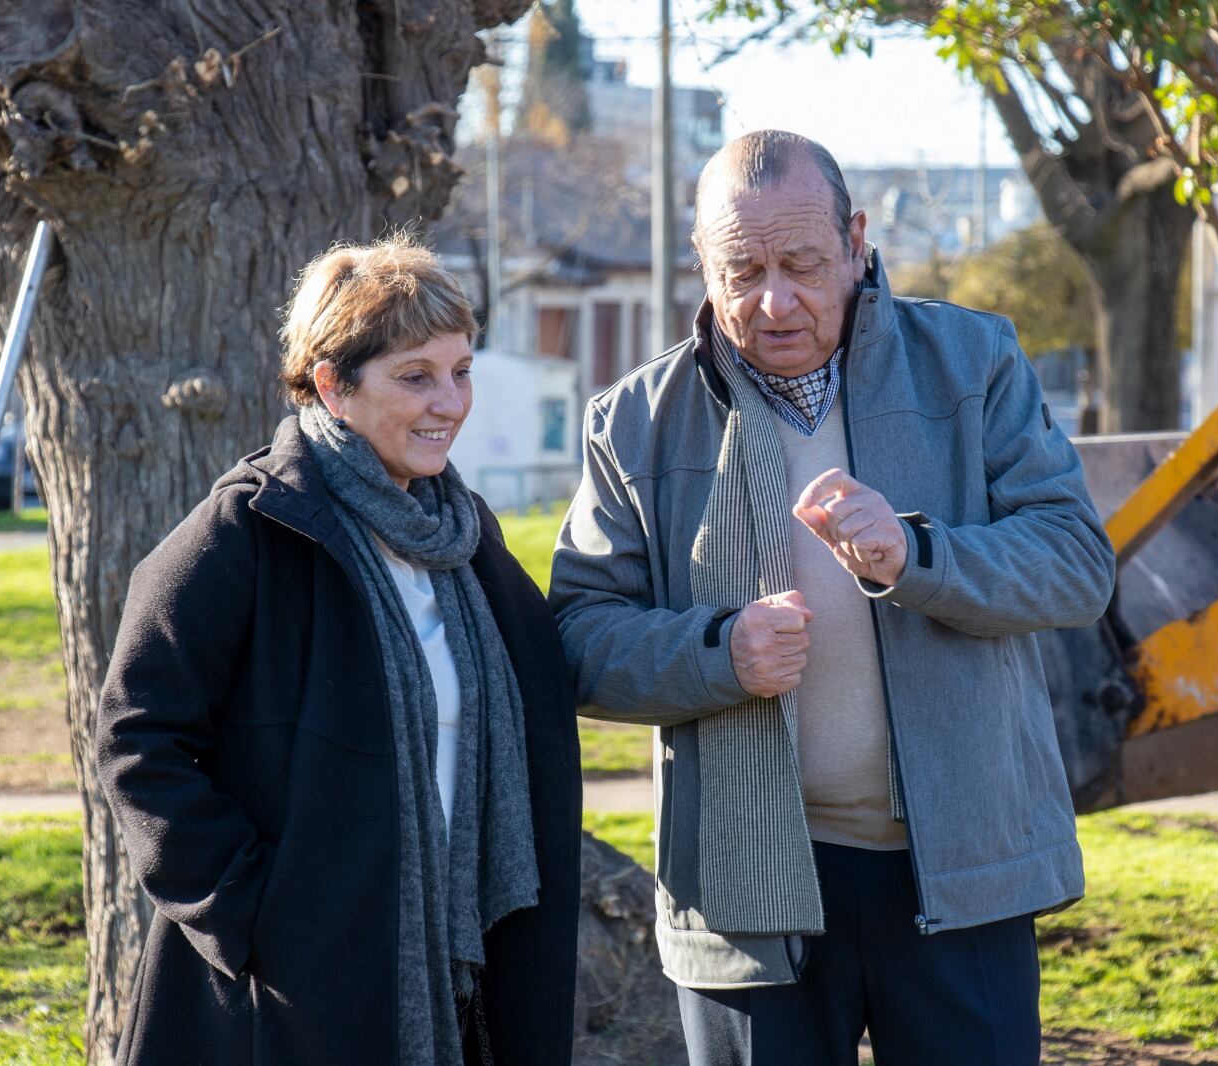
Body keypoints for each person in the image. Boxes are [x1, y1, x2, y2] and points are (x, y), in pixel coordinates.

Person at [550, 130, 1115, 1065]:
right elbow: (575, 637)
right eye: (744, 270)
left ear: (855, 241)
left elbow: (1074, 563)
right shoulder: (635, 422)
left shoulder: (972, 362)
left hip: (962, 877)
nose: (776, 300)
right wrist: (717, 654)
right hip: (745, 893)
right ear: (702, 265)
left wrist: (916, 553)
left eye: (805, 263)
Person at [95, 235, 581, 1066]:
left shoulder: (464, 539)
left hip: (454, 970)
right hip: (294, 993)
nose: (450, 402)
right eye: (415, 376)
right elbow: (137, 739)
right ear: (331, 384)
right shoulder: (248, 530)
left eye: (461, 371)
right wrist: (252, 911)